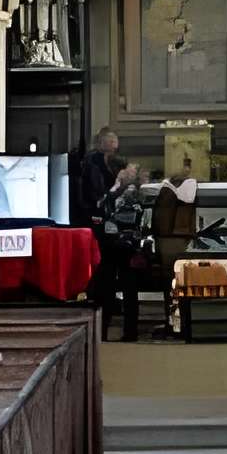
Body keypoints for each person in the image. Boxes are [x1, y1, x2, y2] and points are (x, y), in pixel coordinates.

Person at [90, 161, 161, 341]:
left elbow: (104, 212)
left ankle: (104, 331)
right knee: (130, 291)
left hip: (114, 247)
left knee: (107, 290)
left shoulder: (119, 194)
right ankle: (130, 332)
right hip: (129, 248)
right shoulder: (139, 195)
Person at [67, 126, 120, 229]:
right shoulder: (93, 161)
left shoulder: (110, 161)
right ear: (102, 142)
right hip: (91, 210)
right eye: (112, 140)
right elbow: (96, 190)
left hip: (97, 207)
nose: (115, 144)